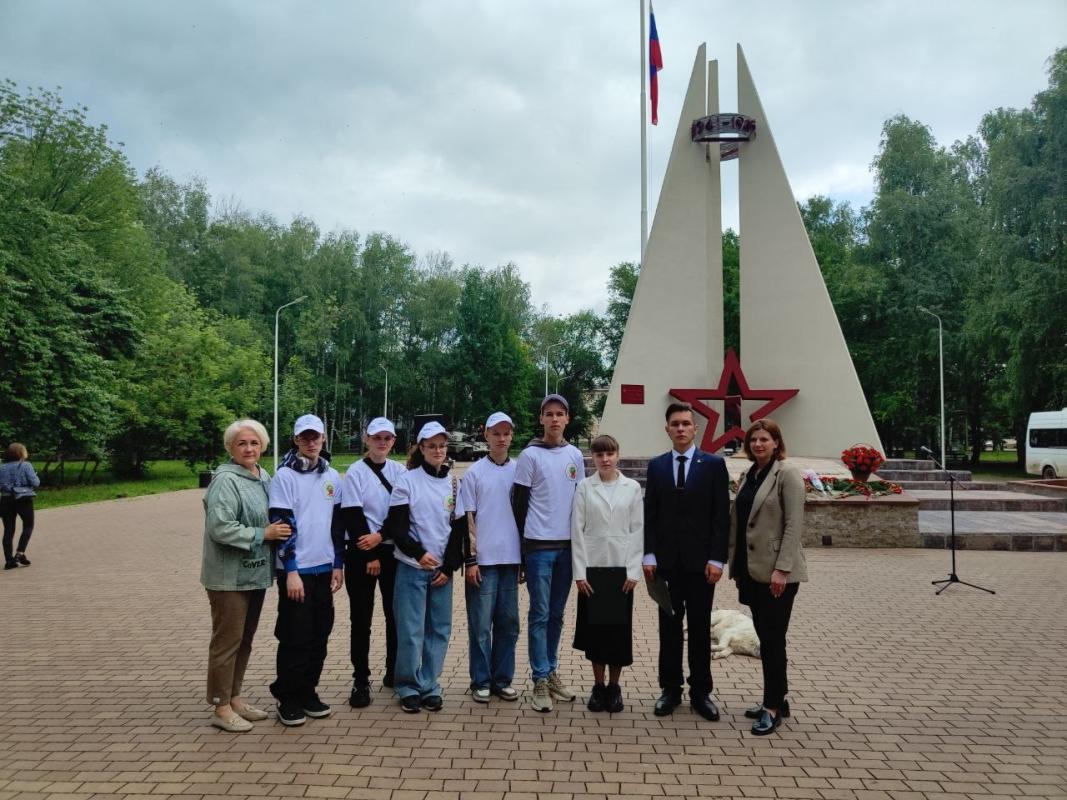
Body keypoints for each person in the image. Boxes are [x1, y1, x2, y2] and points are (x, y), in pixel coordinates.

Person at [200, 419, 292, 732]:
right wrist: (263, 533)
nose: (249, 448)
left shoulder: (262, 476)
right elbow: (220, 527)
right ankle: (220, 706)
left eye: (254, 443)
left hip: (254, 574)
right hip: (228, 577)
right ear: (231, 448)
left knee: (244, 640)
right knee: (227, 642)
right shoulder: (225, 480)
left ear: (263, 446)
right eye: (242, 443)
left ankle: (234, 697)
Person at [643, 401, 730, 721]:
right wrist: (649, 554)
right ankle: (670, 689)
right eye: (675, 424)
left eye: (686, 423)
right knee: (669, 627)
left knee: (699, 628)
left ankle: (701, 692)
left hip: (700, 565)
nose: (680, 428)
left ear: (695, 428)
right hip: (665, 565)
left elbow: (721, 516)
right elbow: (650, 514)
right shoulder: (657, 466)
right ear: (667, 429)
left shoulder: (714, 465)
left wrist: (717, 559)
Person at [728, 419, 808, 736]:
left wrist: (782, 568)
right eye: (753, 440)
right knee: (768, 637)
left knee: (773, 640)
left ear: (776, 442)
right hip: (752, 570)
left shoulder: (787, 474)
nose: (758, 444)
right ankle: (779, 697)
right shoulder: (750, 474)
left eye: (764, 439)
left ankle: (772, 708)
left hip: (777, 572)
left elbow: (794, 524)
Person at [267, 414, 345, 727]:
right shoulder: (284, 476)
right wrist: (291, 570)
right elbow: (283, 525)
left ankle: (308, 690)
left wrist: (338, 563)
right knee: (294, 635)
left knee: (319, 633)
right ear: (296, 440)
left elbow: (337, 525)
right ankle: (287, 696)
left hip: (324, 569)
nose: (311, 443)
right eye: (305, 437)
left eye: (316, 437)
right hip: (296, 571)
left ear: (323, 438)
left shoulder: (332, 476)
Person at [386, 421, 466, 713]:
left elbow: (458, 530)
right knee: (411, 630)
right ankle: (408, 685)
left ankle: (430, 684)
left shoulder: (454, 483)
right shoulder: (407, 481)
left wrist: (449, 566)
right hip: (412, 567)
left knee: (439, 629)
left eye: (442, 445)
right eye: (431, 446)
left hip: (441, 571)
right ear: (421, 448)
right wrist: (418, 554)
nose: (438, 450)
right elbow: (397, 526)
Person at [512, 393, 584, 712]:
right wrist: (522, 551)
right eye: (549, 414)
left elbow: (581, 501)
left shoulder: (575, 455)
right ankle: (539, 678)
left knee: (556, 614)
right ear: (541, 419)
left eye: (560, 413)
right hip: (538, 548)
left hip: (566, 548)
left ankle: (551, 671)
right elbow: (519, 505)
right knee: (539, 614)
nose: (555, 419)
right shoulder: (530, 456)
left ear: (568, 419)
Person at [570, 434, 643, 713]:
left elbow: (637, 529)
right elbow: (577, 530)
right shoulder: (585, 487)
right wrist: (580, 573)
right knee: (596, 633)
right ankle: (598, 686)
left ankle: (614, 687)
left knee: (618, 633)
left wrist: (633, 570)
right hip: (593, 570)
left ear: (618, 455)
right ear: (593, 457)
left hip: (621, 570)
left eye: (610, 453)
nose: (605, 459)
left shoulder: (631, 488)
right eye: (599, 454)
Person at [340, 417, 406, 708]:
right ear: (366, 438)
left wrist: (381, 537)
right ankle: (360, 679)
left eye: (387, 438)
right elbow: (352, 514)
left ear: (393, 441)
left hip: (390, 550)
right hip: (361, 552)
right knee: (361, 619)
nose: (382, 442)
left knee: (395, 617)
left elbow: (401, 513)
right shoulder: (355, 472)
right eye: (376, 437)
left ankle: (394, 671)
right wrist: (370, 554)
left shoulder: (399, 471)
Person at [460, 412, 522, 704]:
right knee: (481, 626)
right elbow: (467, 519)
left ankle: (502, 679)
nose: (501, 438)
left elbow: (526, 516)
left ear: (511, 436)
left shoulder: (520, 471)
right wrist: (470, 560)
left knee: (509, 624)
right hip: (483, 562)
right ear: (486, 435)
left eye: (506, 433)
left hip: (511, 559)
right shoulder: (474, 473)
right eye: (495, 433)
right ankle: (481, 680)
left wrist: (525, 558)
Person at [1, 443, 40, 570]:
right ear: (21, 453)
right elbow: (36, 482)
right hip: (24, 499)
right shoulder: (26, 465)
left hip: (6, 500)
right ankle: (20, 553)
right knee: (28, 525)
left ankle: (9, 561)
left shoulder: (2, 468)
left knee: (8, 530)